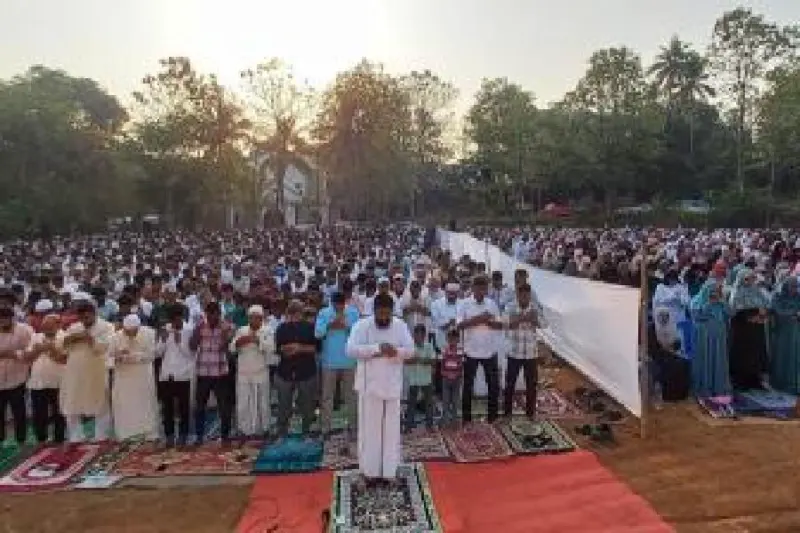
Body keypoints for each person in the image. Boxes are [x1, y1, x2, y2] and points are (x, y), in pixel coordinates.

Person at [346, 293, 414, 484]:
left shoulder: (400, 326)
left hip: (392, 384)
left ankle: (389, 472)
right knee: (370, 431)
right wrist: (376, 349)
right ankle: (369, 472)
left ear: (392, 312)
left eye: (387, 314)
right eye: (380, 314)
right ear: (374, 311)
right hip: (370, 386)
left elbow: (410, 350)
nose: (384, 318)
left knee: (391, 430)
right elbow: (350, 349)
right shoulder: (362, 326)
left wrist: (396, 352)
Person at [59, 295, 115, 442]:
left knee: (100, 402)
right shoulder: (74, 327)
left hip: (96, 369)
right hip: (74, 371)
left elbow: (106, 347)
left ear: (94, 313)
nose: (84, 317)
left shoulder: (107, 326)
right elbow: (64, 347)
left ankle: (101, 436)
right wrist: (72, 338)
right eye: (81, 315)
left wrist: (89, 338)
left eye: (87, 314)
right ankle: (76, 436)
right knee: (71, 402)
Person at [457, 275, 503, 423]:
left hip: (489, 351)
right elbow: (459, 325)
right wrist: (480, 318)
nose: (482, 291)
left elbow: (500, 325)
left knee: (493, 386)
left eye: (484, 288)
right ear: (473, 288)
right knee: (468, 386)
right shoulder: (464, 304)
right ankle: (466, 417)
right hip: (470, 351)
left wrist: (487, 321)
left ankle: (492, 417)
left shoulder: (492, 304)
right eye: (479, 288)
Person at [315, 291, 359, 439]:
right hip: (329, 361)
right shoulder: (324, 312)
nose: (338, 307)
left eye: (341, 304)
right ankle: (325, 428)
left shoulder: (353, 312)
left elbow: (358, 334)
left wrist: (346, 326)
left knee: (351, 396)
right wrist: (329, 326)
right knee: (327, 396)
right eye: (335, 304)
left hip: (349, 360)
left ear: (345, 303)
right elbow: (317, 333)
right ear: (331, 302)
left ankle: (353, 426)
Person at [190, 301, 235, 446]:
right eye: (209, 315)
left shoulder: (226, 327)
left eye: (214, 315)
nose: (211, 318)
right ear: (206, 314)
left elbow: (224, 345)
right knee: (200, 406)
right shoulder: (200, 327)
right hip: (203, 372)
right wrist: (196, 333)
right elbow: (192, 346)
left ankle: (225, 436)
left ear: (219, 314)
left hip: (220, 372)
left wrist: (224, 333)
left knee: (224, 407)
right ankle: (199, 436)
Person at [273, 300, 320, 440]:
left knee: (307, 404)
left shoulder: (310, 328)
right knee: (284, 404)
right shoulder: (281, 328)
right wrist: (290, 350)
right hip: (285, 372)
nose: (295, 316)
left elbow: (316, 348)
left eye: (297, 312)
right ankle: (282, 431)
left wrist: (299, 347)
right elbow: (279, 349)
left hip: (306, 372)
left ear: (301, 313)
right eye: (292, 312)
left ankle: (306, 430)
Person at [109, 314, 159, 440]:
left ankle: (149, 433)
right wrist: (118, 356)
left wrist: (132, 356)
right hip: (123, 378)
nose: (130, 334)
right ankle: (125, 434)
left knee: (145, 404)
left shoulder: (149, 334)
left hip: (143, 376)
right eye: (128, 331)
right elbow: (107, 358)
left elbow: (152, 355)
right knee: (124, 405)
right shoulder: (115, 337)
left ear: (138, 328)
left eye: (133, 331)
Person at [229, 305, 275, 437]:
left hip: (260, 372)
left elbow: (271, 348)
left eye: (256, 318)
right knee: (243, 403)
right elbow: (232, 348)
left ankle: (264, 429)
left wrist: (257, 341)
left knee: (263, 402)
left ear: (261, 319)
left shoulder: (268, 330)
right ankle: (244, 430)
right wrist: (239, 342)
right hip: (243, 372)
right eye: (251, 318)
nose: (253, 320)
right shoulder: (242, 330)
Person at [503, 283, 545, 419]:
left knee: (531, 385)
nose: (524, 299)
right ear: (517, 295)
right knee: (510, 383)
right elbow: (506, 324)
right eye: (522, 296)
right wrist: (525, 318)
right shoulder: (510, 307)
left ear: (529, 295)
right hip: (514, 352)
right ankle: (507, 412)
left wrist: (534, 320)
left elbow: (545, 324)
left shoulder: (535, 308)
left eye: (527, 296)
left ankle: (530, 413)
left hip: (531, 353)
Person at [156, 303, 195, 448]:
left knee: (184, 407)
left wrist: (179, 343)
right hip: (167, 374)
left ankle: (183, 435)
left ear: (182, 318)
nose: (175, 323)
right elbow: (158, 353)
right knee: (167, 408)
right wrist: (164, 340)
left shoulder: (189, 330)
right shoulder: (166, 329)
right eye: (173, 320)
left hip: (183, 374)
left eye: (178, 320)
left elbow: (191, 355)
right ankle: (169, 435)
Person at [25, 313, 67, 444]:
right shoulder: (35, 337)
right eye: (44, 325)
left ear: (58, 325)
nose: (46, 328)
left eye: (50, 325)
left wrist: (51, 348)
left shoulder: (65, 337)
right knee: (39, 414)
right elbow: (28, 358)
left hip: (59, 382)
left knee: (59, 413)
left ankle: (59, 439)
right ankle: (41, 439)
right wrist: (37, 351)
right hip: (38, 382)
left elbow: (63, 359)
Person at [690, 280, 732, 401]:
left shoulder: (720, 302)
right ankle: (704, 387)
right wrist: (708, 304)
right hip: (704, 338)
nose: (714, 294)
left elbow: (730, 313)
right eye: (712, 291)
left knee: (718, 360)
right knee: (706, 360)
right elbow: (697, 316)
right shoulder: (697, 301)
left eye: (717, 291)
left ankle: (718, 387)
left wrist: (723, 302)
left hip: (719, 337)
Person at [728, 268, 769, 390]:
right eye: (747, 278)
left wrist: (762, 314)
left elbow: (766, 304)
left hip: (756, 328)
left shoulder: (757, 291)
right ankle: (740, 382)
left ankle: (755, 380)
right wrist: (751, 316)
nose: (750, 281)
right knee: (742, 355)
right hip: (742, 329)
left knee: (756, 354)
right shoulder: (736, 292)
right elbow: (734, 310)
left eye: (752, 278)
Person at [0, 303, 33, 445]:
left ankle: (21, 440)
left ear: (11, 318)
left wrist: (14, 354)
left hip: (18, 378)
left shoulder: (24, 331)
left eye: (4, 319)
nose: (2, 322)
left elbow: (31, 351)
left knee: (18, 411)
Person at [769, 276, 800, 393]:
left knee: (794, 356)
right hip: (781, 332)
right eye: (792, 286)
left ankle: (792, 383)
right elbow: (778, 311)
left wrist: (796, 315)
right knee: (781, 356)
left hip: (795, 332)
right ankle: (779, 382)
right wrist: (793, 313)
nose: (795, 289)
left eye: (796, 286)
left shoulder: (798, 297)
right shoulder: (778, 296)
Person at [403, 324, 436, 432]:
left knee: (429, 404)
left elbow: (433, 361)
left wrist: (419, 359)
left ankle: (429, 425)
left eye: (421, 335)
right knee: (411, 404)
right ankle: (409, 426)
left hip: (426, 379)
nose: (418, 337)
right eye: (416, 335)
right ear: (414, 335)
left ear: (424, 335)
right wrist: (416, 360)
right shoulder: (409, 347)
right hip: (413, 380)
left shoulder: (429, 346)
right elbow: (405, 361)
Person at [439, 328, 464, 427]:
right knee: (445, 400)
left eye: (455, 339)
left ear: (458, 339)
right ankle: (445, 420)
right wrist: (445, 374)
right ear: (447, 339)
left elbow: (461, 364)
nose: (452, 341)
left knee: (455, 400)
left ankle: (454, 420)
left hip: (456, 379)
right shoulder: (443, 349)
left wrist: (458, 375)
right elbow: (441, 364)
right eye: (450, 339)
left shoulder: (460, 350)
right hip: (446, 379)